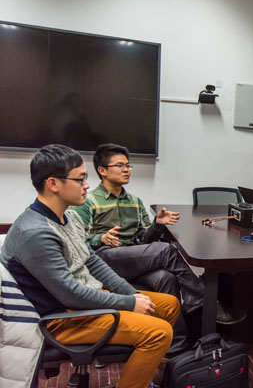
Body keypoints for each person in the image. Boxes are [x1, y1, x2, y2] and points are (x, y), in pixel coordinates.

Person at [0, 144, 179, 388]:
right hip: (62, 317)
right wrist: (128, 303)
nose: (86, 185)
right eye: (80, 179)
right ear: (53, 184)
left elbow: (92, 261)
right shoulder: (35, 232)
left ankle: (138, 376)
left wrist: (131, 294)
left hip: (82, 300)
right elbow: (69, 293)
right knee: (160, 333)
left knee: (168, 305)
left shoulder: (70, 215)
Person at [73, 144, 245, 349]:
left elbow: (144, 241)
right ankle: (205, 302)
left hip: (132, 259)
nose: (126, 170)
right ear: (102, 170)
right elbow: (78, 242)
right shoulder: (89, 201)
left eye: (128, 165)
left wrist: (157, 224)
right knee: (166, 250)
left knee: (166, 278)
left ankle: (176, 346)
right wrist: (100, 238)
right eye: (120, 166)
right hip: (104, 260)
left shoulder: (135, 202)